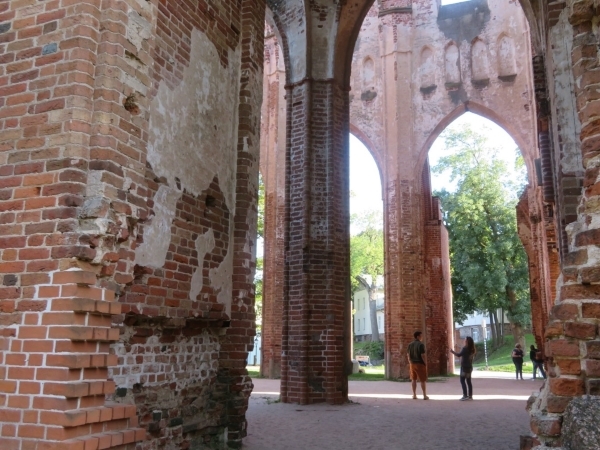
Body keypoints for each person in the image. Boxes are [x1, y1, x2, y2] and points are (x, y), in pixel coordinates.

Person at [450, 336, 476, 400]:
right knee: (469, 382)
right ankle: (470, 396)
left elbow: (459, 355)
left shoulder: (465, 348)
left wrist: (452, 351)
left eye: (465, 340)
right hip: (469, 367)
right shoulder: (472, 349)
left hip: (464, 367)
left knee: (462, 381)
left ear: (467, 341)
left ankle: (465, 395)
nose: (464, 341)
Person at [407, 330, 429, 400]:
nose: (422, 337)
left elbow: (408, 354)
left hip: (412, 363)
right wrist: (425, 363)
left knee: (413, 379)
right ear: (418, 336)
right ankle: (424, 395)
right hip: (420, 363)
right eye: (421, 335)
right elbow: (423, 355)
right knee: (422, 380)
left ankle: (414, 395)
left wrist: (410, 361)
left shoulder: (410, 344)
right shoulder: (421, 345)